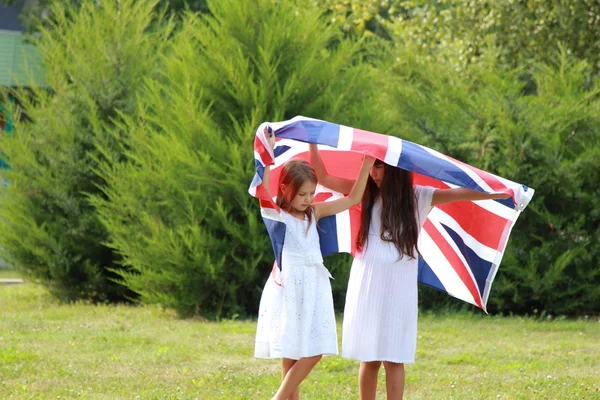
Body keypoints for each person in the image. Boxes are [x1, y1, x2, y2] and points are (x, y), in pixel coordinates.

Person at [309, 144, 510, 400]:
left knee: (394, 356)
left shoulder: (418, 197)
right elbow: (324, 178)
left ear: (395, 169)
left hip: (399, 281)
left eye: (379, 166)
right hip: (367, 277)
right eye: (372, 166)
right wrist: (313, 143)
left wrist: (499, 192)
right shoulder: (364, 192)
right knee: (369, 356)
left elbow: (460, 193)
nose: (374, 173)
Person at [255, 127, 376, 400]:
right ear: (285, 190)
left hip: (314, 284)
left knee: (315, 350)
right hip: (289, 287)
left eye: (311, 193)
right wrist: (267, 153)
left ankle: (277, 397)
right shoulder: (277, 215)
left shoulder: (314, 212)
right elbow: (262, 189)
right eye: (302, 195)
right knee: (291, 350)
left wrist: (366, 165)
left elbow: (354, 199)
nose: (309, 199)